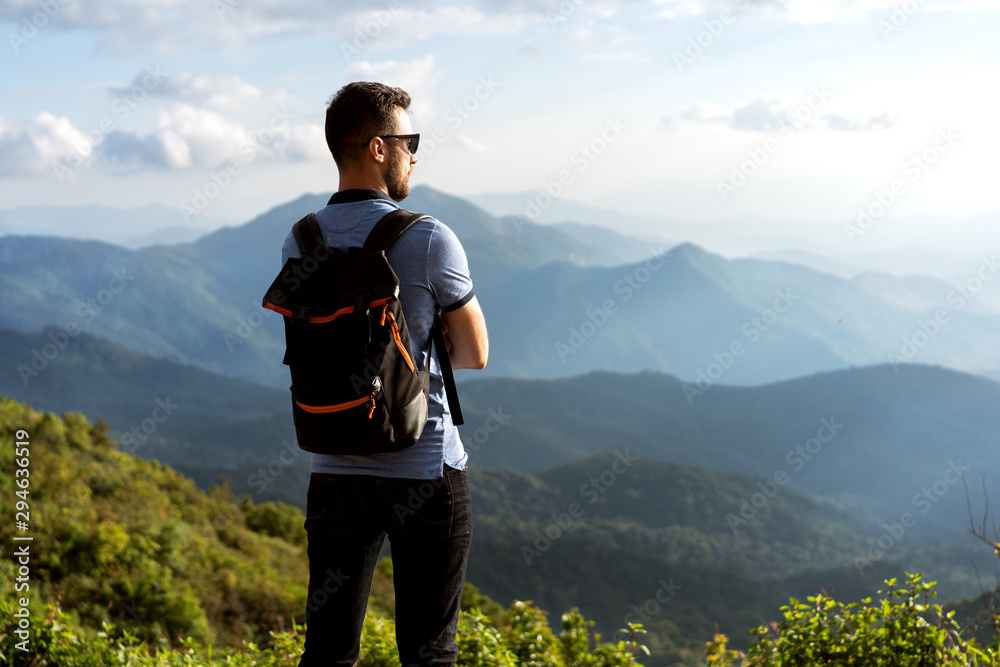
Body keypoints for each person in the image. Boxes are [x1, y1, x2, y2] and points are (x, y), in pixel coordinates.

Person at [282, 81, 489, 667]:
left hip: (333, 466)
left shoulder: (300, 240)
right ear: (379, 147)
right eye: (409, 140)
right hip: (422, 465)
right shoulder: (427, 237)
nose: (415, 154)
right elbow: (474, 352)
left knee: (327, 650)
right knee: (427, 652)